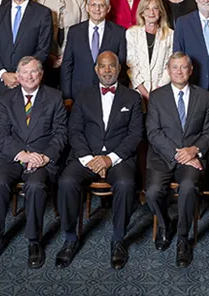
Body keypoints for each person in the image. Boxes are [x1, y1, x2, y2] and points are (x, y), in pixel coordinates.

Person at [56, 51, 143, 270]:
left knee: (125, 184)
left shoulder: (132, 98)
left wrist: (109, 159)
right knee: (66, 181)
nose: (107, 70)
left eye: (111, 66)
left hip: (118, 157)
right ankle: (69, 238)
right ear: (96, 69)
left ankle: (118, 239)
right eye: (102, 66)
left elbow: (135, 135)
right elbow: (74, 130)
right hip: (86, 156)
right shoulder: (83, 95)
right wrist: (89, 159)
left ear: (119, 69)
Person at [0, 56, 68, 269]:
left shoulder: (55, 97)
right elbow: (0, 134)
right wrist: (21, 154)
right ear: (17, 76)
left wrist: (45, 157)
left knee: (36, 186)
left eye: (34, 71)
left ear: (41, 74)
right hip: (13, 156)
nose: (29, 76)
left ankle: (34, 240)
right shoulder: (6, 97)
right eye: (24, 73)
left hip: (42, 158)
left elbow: (61, 133)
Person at [145, 52, 209, 267]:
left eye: (184, 67)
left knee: (188, 187)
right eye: (175, 67)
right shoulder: (157, 96)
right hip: (162, 157)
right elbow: (153, 132)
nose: (179, 71)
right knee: (153, 192)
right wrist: (178, 154)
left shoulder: (204, 96)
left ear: (191, 70)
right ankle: (166, 225)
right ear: (168, 70)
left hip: (192, 157)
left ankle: (183, 238)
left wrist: (194, 149)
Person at [61, 0, 127, 103]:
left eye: (101, 5)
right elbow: (67, 64)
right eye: (94, 5)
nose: (97, 9)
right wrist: (67, 95)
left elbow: (122, 65)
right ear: (87, 7)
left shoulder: (118, 32)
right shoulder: (74, 31)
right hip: (78, 93)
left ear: (108, 9)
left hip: (109, 93)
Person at [35, 0, 88, 86]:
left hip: (72, 58)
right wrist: (48, 56)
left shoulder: (79, 0)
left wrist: (66, 56)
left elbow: (83, 32)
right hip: (45, 58)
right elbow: (34, 33)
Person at [126, 0, 173, 101]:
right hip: (137, 92)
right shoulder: (132, 33)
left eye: (155, 8)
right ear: (142, 12)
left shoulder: (170, 35)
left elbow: (170, 65)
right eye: (147, 8)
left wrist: (158, 90)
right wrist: (145, 93)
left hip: (162, 91)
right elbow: (131, 65)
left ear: (160, 12)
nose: (151, 12)